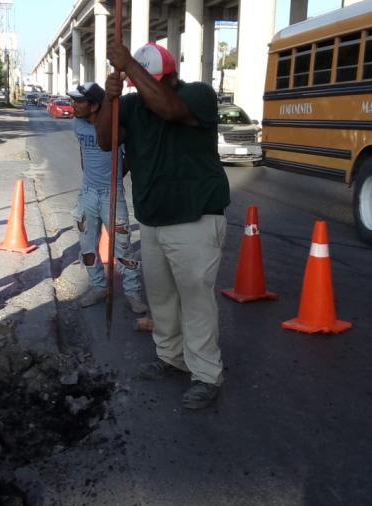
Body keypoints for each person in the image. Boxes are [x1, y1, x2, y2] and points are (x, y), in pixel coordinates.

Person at [94, 42, 230, 410]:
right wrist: (111, 97)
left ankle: (205, 374)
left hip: (196, 216)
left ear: (171, 75)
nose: (145, 87)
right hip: (152, 218)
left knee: (196, 300)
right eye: (141, 81)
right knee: (162, 297)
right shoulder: (134, 104)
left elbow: (169, 109)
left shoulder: (198, 95)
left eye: (153, 79)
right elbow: (106, 140)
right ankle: (171, 356)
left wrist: (131, 67)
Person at [69, 82, 148, 315]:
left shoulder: (116, 129)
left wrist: (114, 182)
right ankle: (98, 288)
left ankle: (133, 294)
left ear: (94, 106)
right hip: (87, 193)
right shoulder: (77, 125)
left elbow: (129, 160)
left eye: (78, 101)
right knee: (86, 245)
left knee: (123, 247)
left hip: (111, 194)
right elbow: (84, 154)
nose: (73, 105)